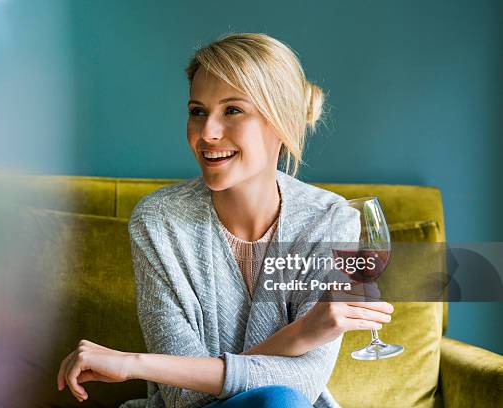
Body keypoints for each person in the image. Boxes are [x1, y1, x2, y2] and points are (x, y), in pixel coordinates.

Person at [57, 33, 394, 408]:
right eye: (197, 111)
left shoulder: (331, 222)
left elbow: (305, 382)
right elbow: (183, 396)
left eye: (232, 110)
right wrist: (299, 335)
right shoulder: (158, 223)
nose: (207, 133)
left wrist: (136, 364)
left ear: (281, 123)